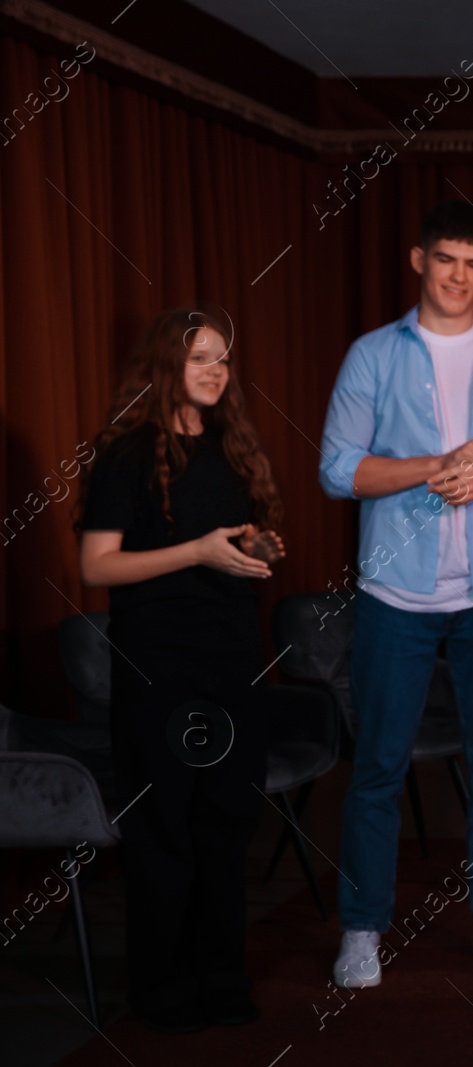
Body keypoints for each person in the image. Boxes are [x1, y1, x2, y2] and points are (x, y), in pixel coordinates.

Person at [319, 199, 473, 988]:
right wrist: (435, 465)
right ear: (420, 261)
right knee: (378, 768)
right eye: (445, 259)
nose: (459, 276)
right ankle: (362, 928)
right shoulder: (371, 355)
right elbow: (337, 468)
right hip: (397, 596)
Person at [80, 305, 286, 1032]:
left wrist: (255, 545)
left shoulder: (232, 445)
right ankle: (162, 992)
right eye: (200, 357)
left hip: (233, 659)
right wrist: (197, 551)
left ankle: (221, 979)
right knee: (164, 830)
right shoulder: (126, 452)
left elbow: (226, 540)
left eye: (224, 359)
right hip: (157, 668)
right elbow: (96, 562)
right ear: (166, 364)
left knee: (227, 823)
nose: (215, 371)